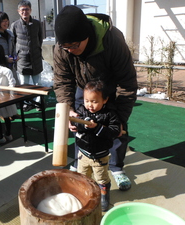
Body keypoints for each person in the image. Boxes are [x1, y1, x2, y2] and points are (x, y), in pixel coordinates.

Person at [53, 5, 138, 191]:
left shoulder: (113, 41)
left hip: (109, 88)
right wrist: (68, 109)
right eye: (65, 47)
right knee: (80, 125)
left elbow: (127, 84)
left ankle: (116, 167)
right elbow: (62, 80)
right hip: (82, 88)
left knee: (115, 129)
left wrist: (120, 120)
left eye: (74, 46)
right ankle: (81, 161)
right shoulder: (63, 47)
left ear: (87, 36)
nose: (69, 50)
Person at [72, 80, 121, 212]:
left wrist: (98, 127)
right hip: (83, 153)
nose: (90, 105)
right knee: (82, 175)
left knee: (101, 177)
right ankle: (84, 192)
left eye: (94, 101)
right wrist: (80, 124)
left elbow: (115, 131)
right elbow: (76, 123)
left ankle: (104, 193)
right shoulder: (82, 109)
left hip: (100, 156)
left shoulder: (110, 114)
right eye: (87, 100)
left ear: (105, 100)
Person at [10, 0, 43, 112]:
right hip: (22, 59)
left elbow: (40, 38)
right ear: (19, 11)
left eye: (27, 9)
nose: (25, 12)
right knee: (25, 84)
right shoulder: (15, 25)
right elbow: (13, 42)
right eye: (22, 10)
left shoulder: (37, 24)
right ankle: (27, 103)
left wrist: (37, 50)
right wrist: (17, 55)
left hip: (36, 58)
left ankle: (38, 103)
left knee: (38, 83)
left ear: (30, 10)